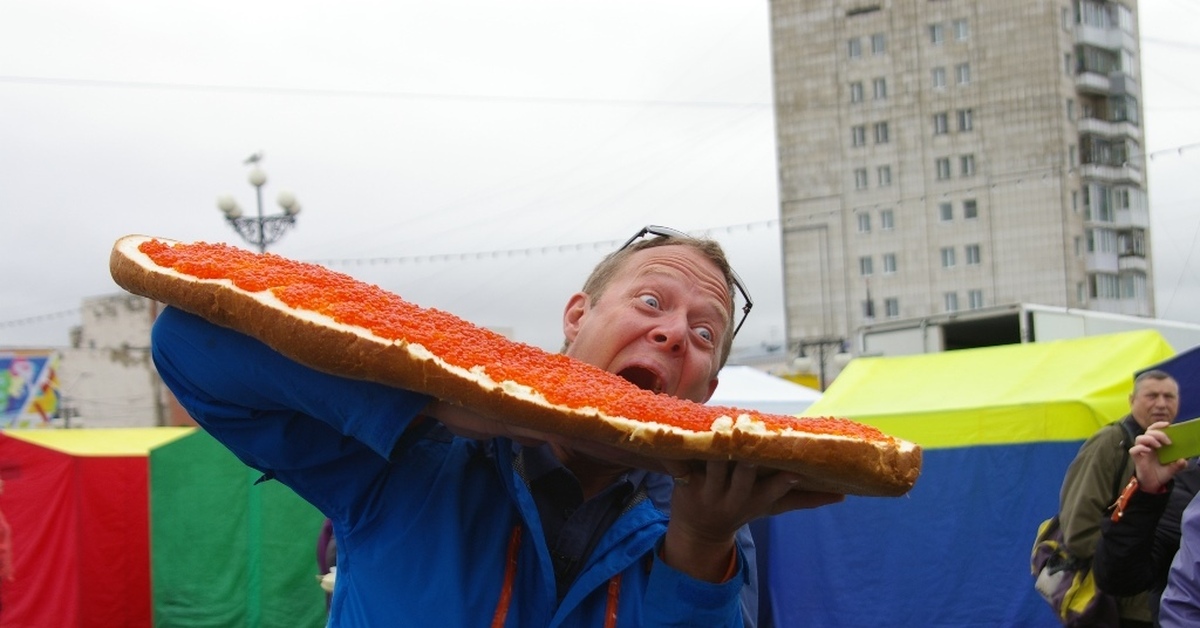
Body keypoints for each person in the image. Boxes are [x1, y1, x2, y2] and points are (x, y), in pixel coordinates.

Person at [150, 225, 844, 627]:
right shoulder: (416, 459)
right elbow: (185, 338)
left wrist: (698, 545)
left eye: (703, 332)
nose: (671, 334)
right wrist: (435, 403)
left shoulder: (715, 522)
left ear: (707, 392)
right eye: (652, 301)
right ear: (577, 319)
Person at [1057, 369, 1180, 627]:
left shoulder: (1177, 447)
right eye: (1152, 396)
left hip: (1164, 604)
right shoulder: (1112, 442)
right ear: (1131, 400)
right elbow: (1079, 529)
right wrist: (1122, 562)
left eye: (1169, 397)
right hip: (1118, 607)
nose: (1161, 403)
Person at [1095, 419, 1200, 627]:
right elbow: (1117, 577)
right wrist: (1144, 492)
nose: (1161, 403)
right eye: (1152, 395)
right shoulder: (1184, 481)